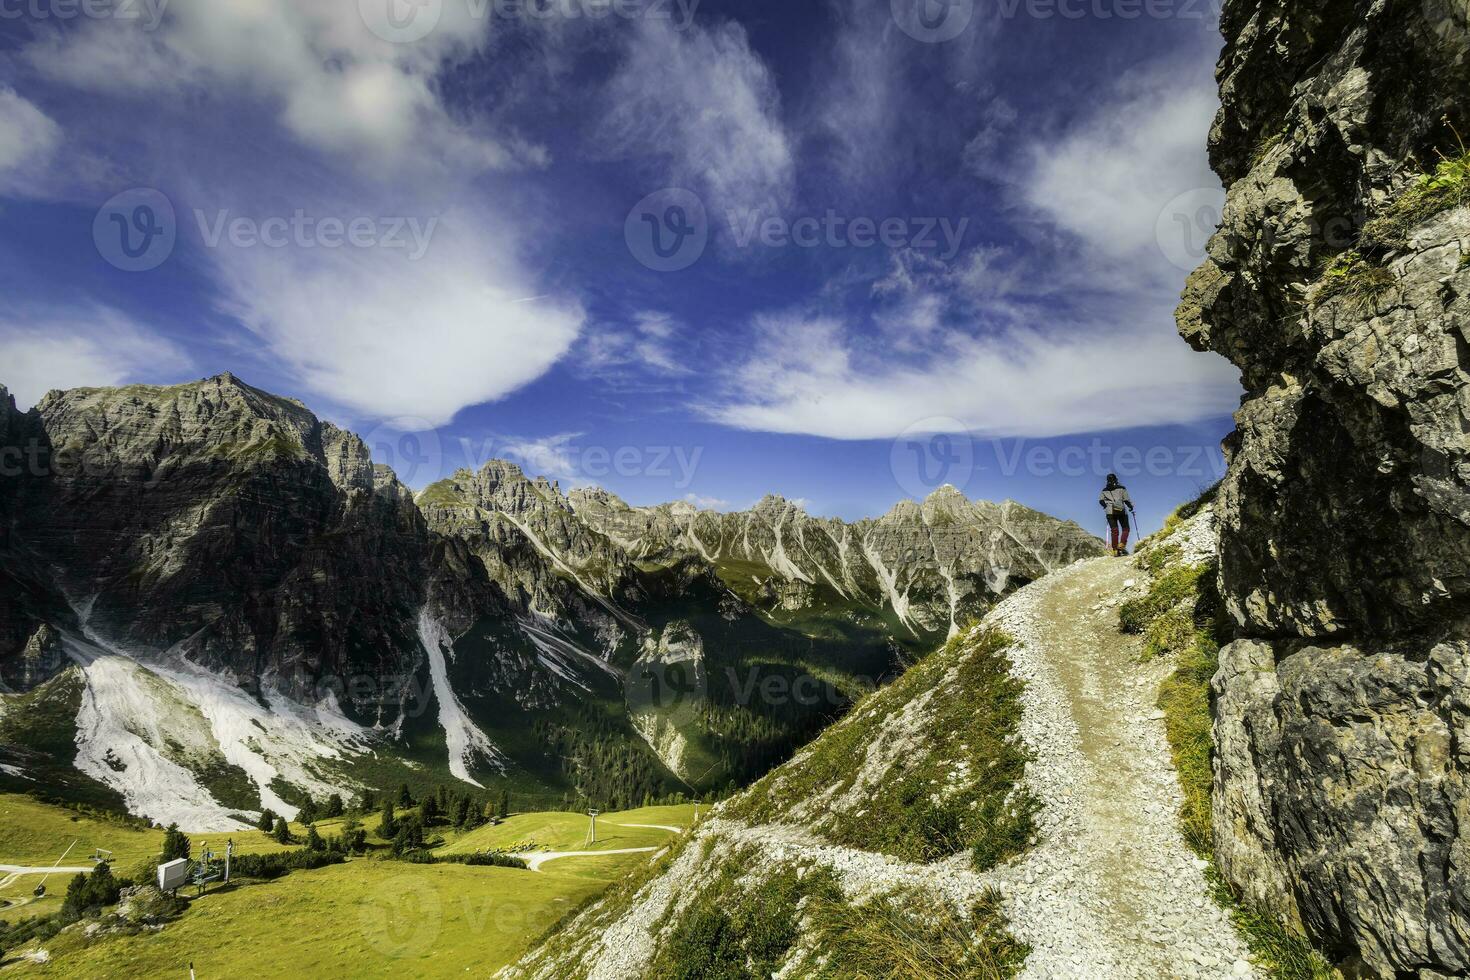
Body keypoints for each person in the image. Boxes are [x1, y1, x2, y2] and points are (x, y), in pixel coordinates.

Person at [1099, 474, 1136, 556]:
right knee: (1126, 528)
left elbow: (1101, 501)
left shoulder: (1104, 490)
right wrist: (1131, 507)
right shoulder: (1122, 488)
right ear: (1116, 479)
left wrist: (1106, 507)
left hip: (1109, 512)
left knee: (1114, 531)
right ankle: (1122, 545)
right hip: (1121, 510)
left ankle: (1115, 550)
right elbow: (1126, 500)